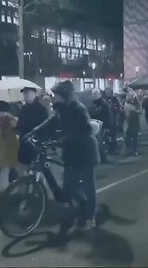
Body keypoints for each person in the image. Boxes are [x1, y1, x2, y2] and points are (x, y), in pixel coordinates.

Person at [29, 81, 99, 230]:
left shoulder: (79, 109)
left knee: (88, 187)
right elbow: (51, 121)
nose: (54, 98)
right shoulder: (61, 109)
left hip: (85, 153)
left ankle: (89, 217)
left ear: (65, 96)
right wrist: (35, 131)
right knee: (68, 186)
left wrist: (64, 139)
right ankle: (79, 206)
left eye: (57, 95)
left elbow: (85, 131)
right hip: (70, 154)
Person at [0, 101, 19, 200]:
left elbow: (16, 133)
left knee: (15, 169)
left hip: (12, 147)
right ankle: (3, 191)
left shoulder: (12, 120)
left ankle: (16, 191)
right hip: (2, 148)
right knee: (4, 170)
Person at [89, 88, 112, 164]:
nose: (94, 95)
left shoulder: (104, 105)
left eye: (95, 94)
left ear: (99, 95)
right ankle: (97, 158)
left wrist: (107, 127)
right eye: (93, 94)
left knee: (99, 143)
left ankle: (102, 158)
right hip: (93, 125)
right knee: (94, 143)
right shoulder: (91, 104)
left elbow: (107, 116)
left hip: (101, 126)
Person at [123, 90, 142, 156]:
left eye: (131, 95)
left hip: (134, 122)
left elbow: (140, 111)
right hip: (127, 121)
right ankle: (127, 150)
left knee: (135, 137)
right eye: (129, 95)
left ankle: (135, 150)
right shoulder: (124, 102)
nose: (130, 97)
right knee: (127, 137)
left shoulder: (136, 102)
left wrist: (134, 110)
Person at [103, 88, 122, 154]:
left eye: (109, 92)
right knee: (106, 136)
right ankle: (109, 148)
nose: (108, 93)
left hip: (113, 121)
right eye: (107, 92)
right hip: (106, 121)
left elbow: (118, 110)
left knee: (113, 136)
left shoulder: (115, 99)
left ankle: (114, 149)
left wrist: (117, 120)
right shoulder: (103, 100)